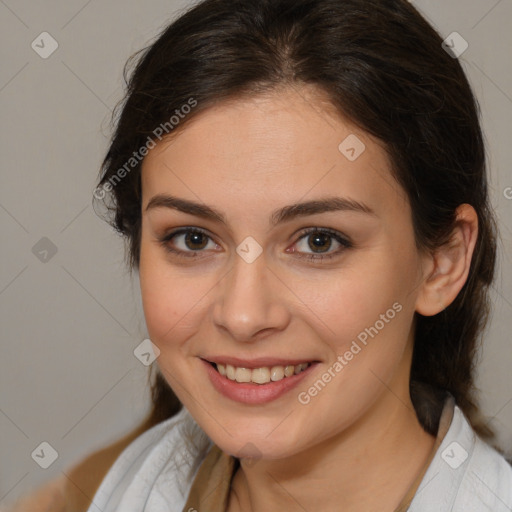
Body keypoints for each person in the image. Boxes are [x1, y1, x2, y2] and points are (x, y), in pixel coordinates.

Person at [5, 0, 512, 510]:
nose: (243, 316)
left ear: (442, 263)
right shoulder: (87, 494)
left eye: (319, 241)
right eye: (193, 239)